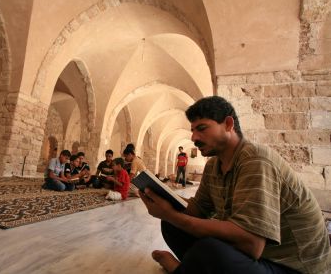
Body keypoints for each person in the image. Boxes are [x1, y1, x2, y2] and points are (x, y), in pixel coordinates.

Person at [140, 96, 331, 274]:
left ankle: (181, 270)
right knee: (172, 225)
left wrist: (172, 215)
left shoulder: (255, 160)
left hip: (291, 266)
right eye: (193, 130)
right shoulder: (214, 164)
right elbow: (198, 209)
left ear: (228, 124)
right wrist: (164, 197)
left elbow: (251, 245)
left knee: (209, 251)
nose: (194, 138)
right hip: (258, 257)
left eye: (202, 128)